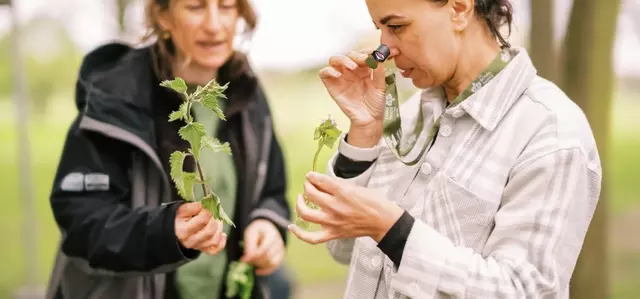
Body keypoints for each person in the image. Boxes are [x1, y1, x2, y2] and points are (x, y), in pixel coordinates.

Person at [289, 0, 602, 298]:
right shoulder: (406, 116)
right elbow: (341, 248)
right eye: (379, 28)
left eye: (396, 26)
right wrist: (364, 133)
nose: (383, 49)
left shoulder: (552, 133)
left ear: (459, 9)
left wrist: (395, 232)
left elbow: (522, 291)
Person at [44, 0, 293, 298]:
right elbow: (81, 221)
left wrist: (266, 223)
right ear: (162, 15)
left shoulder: (247, 93)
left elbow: (271, 191)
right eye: (195, 7)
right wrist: (164, 232)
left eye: (227, 6)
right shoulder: (118, 96)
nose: (214, 25)